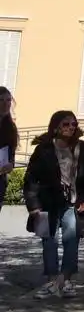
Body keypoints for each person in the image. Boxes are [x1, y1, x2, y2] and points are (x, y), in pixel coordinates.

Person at [23, 111, 84, 299]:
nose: (71, 127)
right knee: (49, 240)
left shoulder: (83, 148)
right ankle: (51, 280)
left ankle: (66, 280)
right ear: (56, 126)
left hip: (72, 203)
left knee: (71, 239)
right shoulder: (44, 149)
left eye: (73, 124)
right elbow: (31, 179)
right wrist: (33, 206)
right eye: (66, 124)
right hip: (47, 202)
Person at [0, 86, 17, 216]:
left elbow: (11, 153)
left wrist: (11, 164)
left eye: (8, 100)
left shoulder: (10, 127)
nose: (5, 104)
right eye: (1, 100)